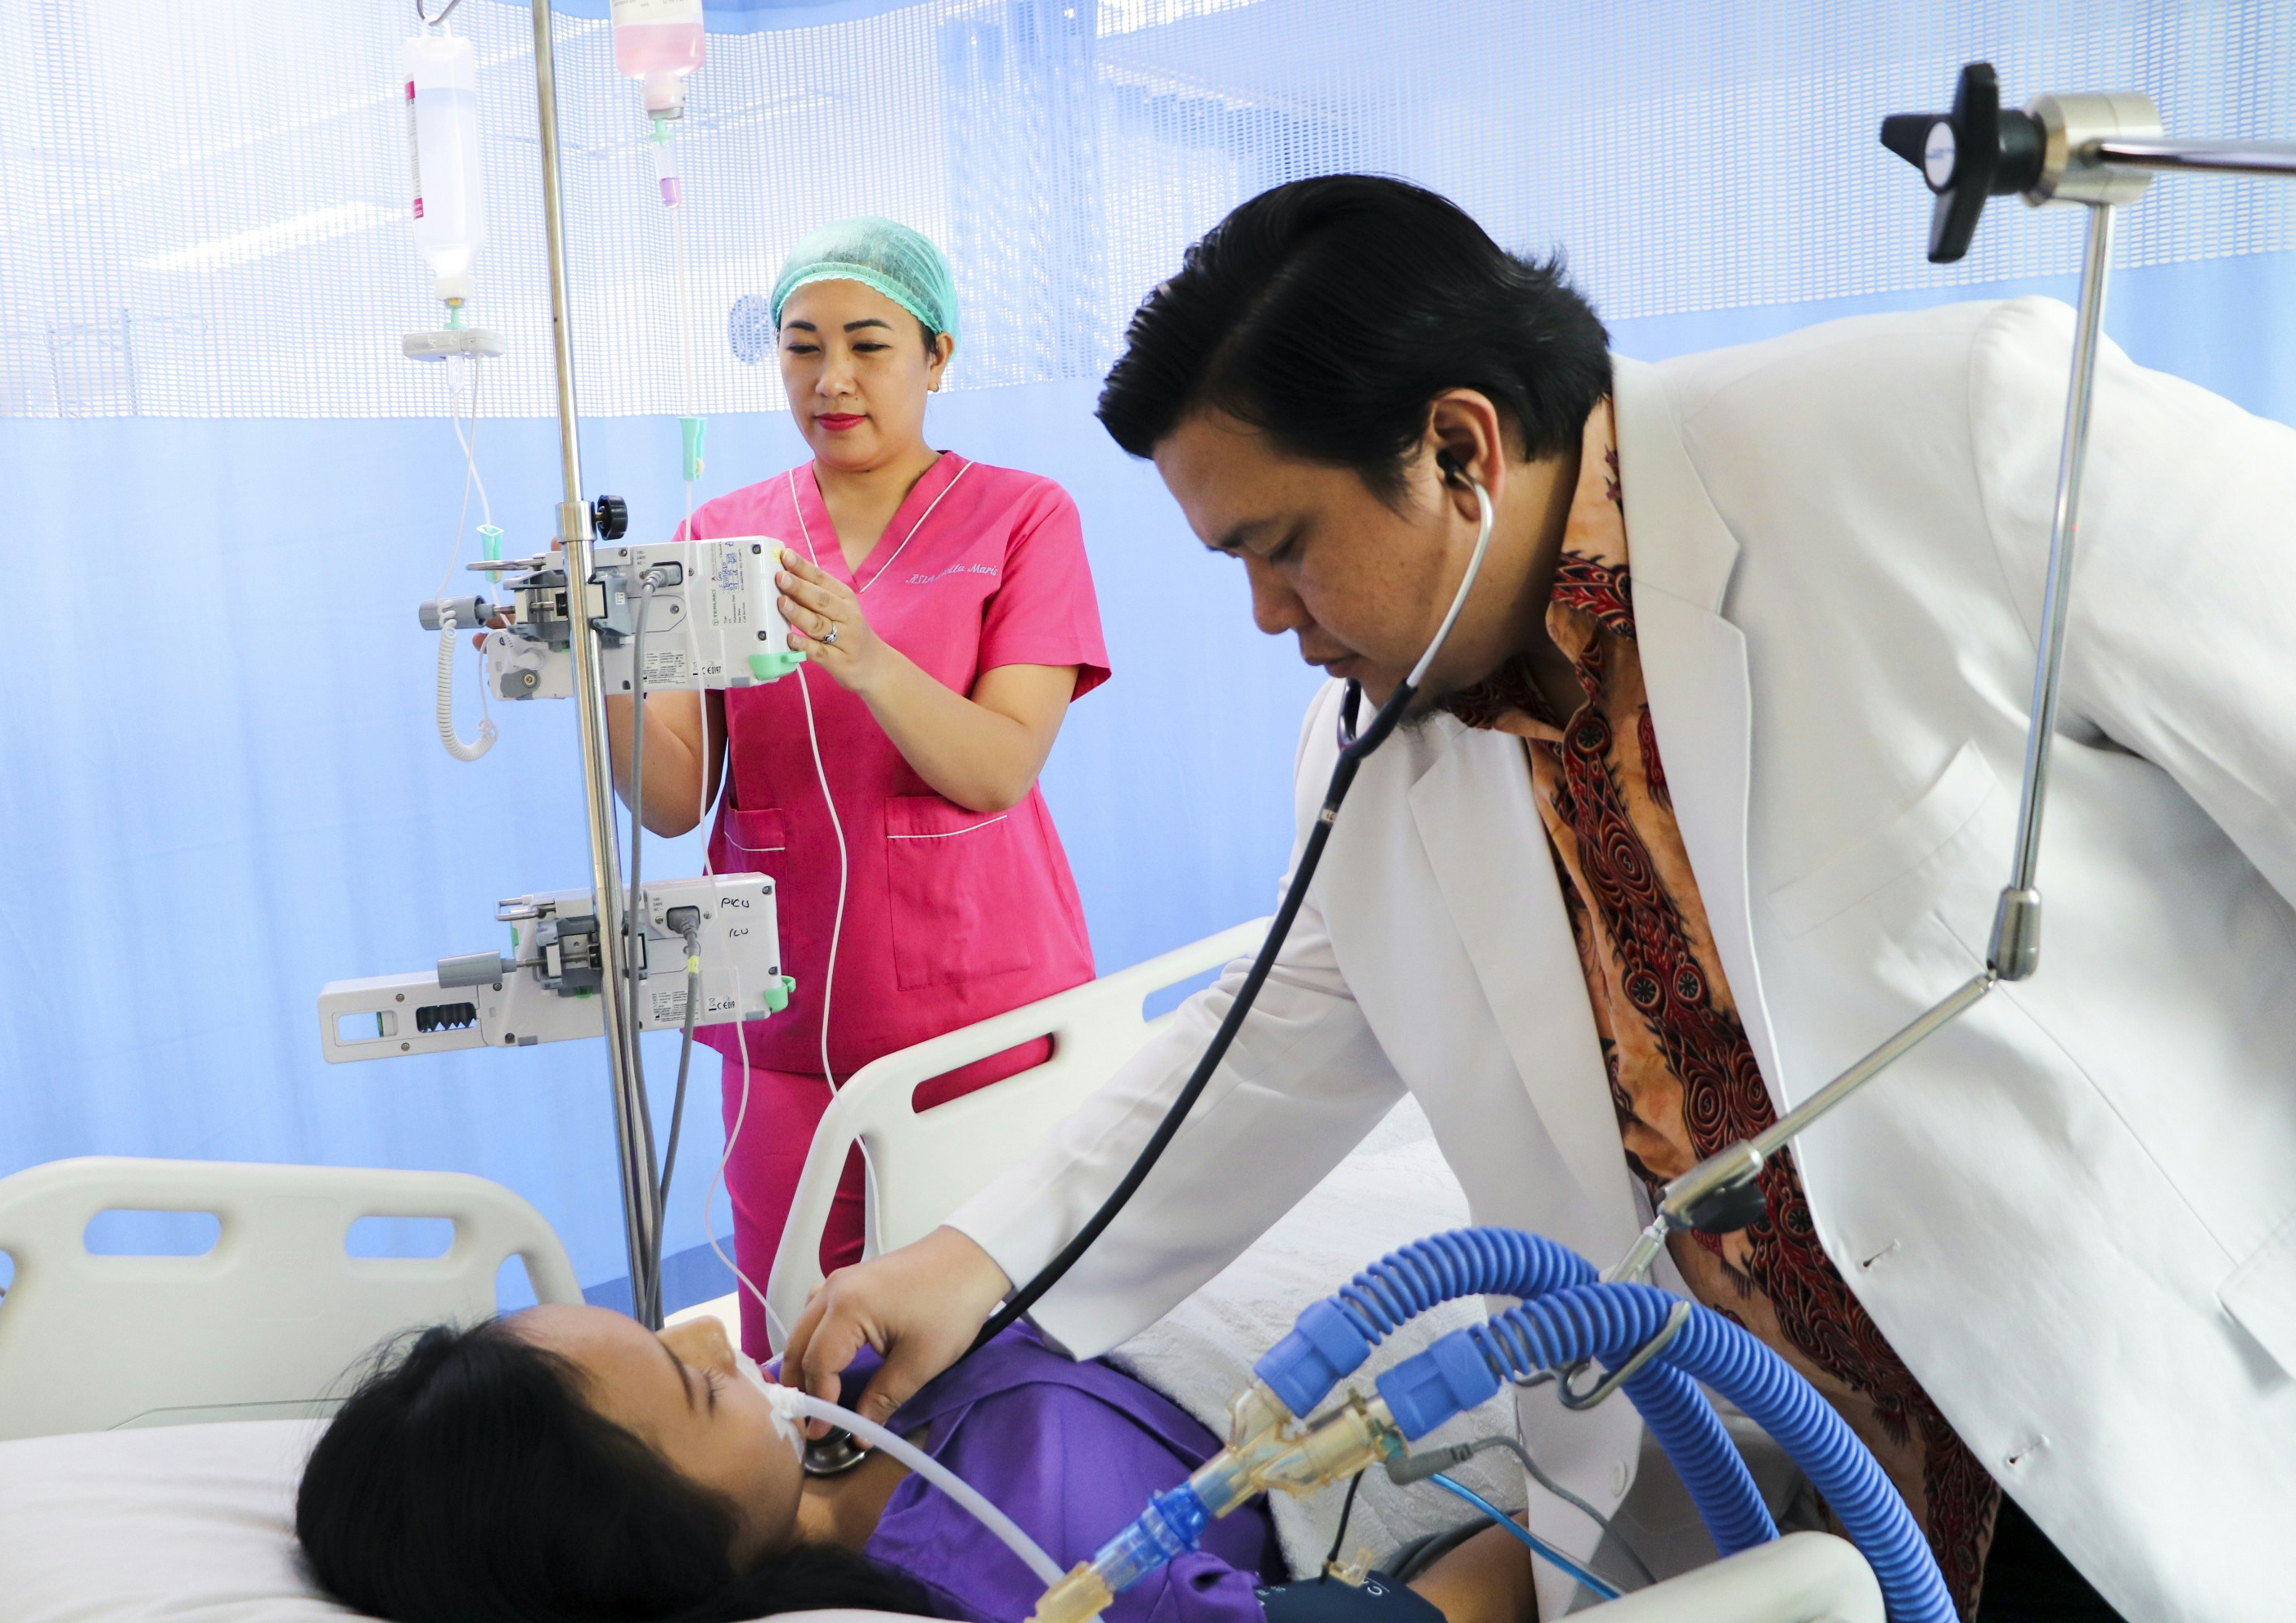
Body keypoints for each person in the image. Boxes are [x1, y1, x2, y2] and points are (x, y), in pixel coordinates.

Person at [781, 177, 2296, 1623]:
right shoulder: (1376, 750)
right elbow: (1262, 1047)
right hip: (1842, 1491)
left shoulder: (1956, 438)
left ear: (1459, 448)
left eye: (1281, 546)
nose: (1265, 617)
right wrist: (973, 1263)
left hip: (2172, 1410)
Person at [606, 218, 1110, 1360]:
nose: (830, 379)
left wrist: (866, 654)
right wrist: (609, 671)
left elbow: (996, 767)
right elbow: (675, 801)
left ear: (937, 355)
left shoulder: (1024, 518)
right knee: (798, 1347)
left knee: (990, 1339)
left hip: (981, 1007)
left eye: (868, 344)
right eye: (800, 346)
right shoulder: (719, 538)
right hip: (782, 1013)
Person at [295, 1306, 1536, 1623]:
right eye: (697, 1385)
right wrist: (1586, 1472)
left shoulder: (850, 1401)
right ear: (659, 1548)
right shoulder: (1033, 1582)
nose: (718, 1334)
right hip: (1470, 1351)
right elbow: (1434, 1608)